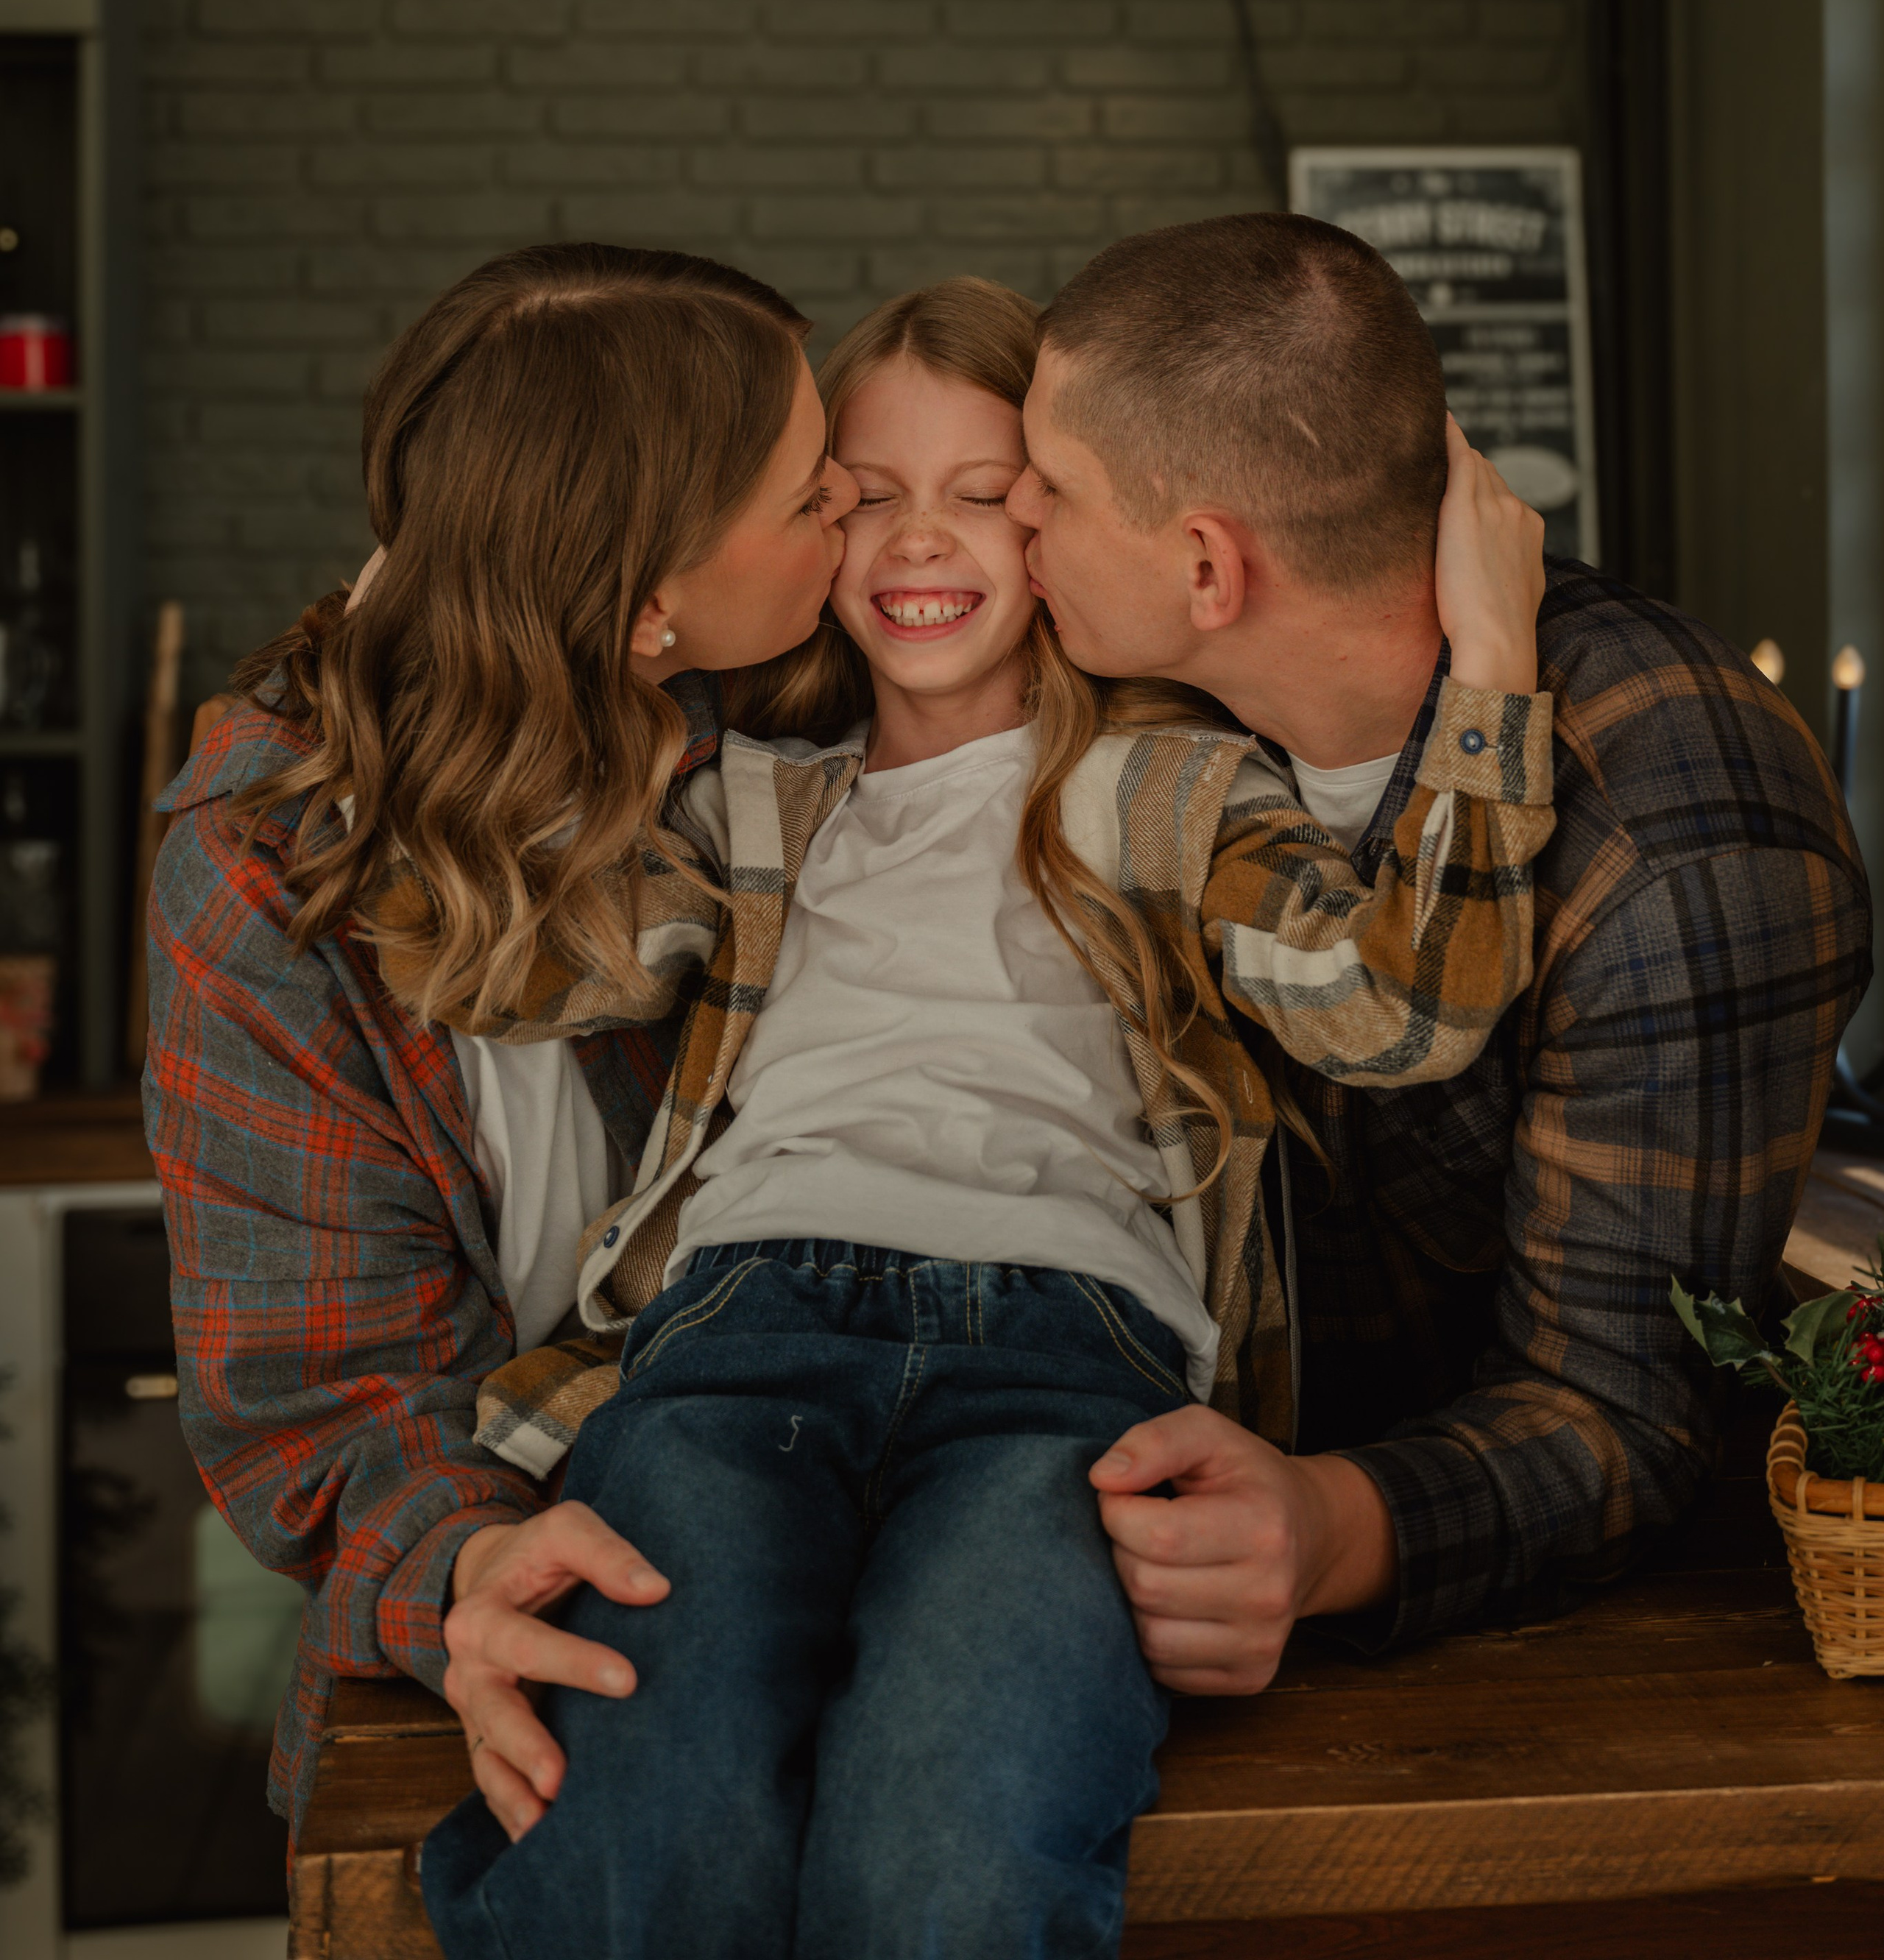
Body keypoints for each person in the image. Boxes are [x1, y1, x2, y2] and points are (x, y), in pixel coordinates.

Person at [413, 275, 1552, 1960]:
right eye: (859, 495)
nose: (911, 540)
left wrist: (1493, 656)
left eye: (984, 492)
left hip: (1061, 1376)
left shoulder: (1157, 790)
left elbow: (1402, 1006)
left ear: (1060, 532)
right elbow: (513, 974)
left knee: (955, 1849)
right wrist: (588, 645)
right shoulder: (745, 799)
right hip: (741, 1343)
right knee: (651, 1832)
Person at [1000, 210, 1873, 1694]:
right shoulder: (1156, 704)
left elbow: (1614, 1411)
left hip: (1524, 1665)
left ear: (1207, 564)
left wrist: (1323, 1527)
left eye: (1049, 488)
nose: (1009, 511)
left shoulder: (1683, 847)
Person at [143, 244, 863, 1839]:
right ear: (647, 601)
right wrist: (469, 1562)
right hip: (493, 1686)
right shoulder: (269, 861)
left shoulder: (815, 725)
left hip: (841, 1580)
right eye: (812, 491)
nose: (857, 509)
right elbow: (320, 1399)